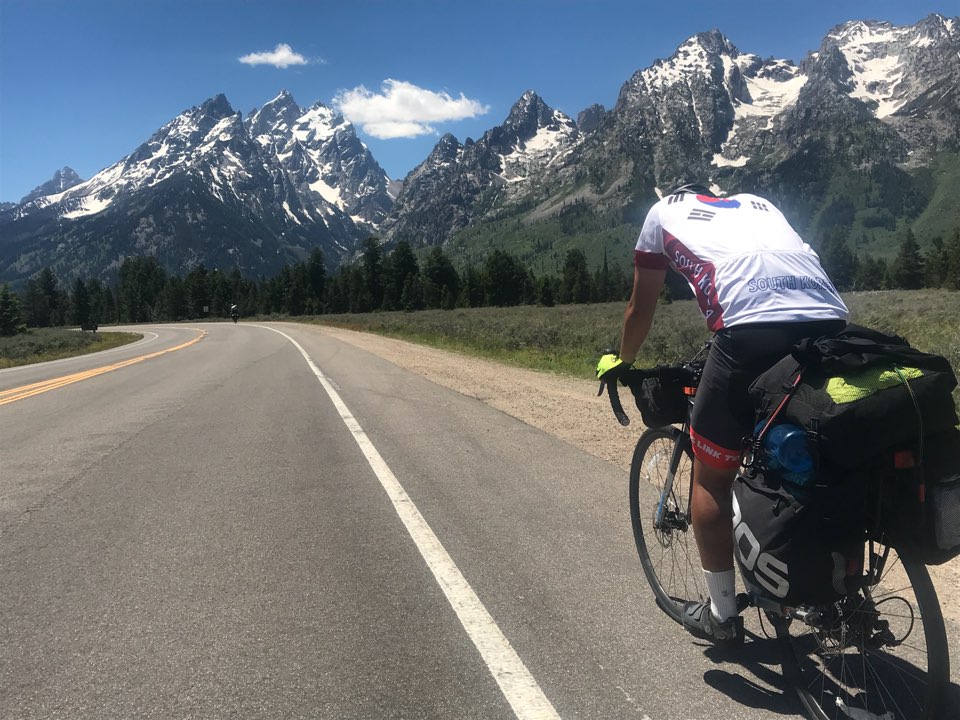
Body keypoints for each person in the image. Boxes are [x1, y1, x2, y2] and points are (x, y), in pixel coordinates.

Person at [597, 183, 849, 643]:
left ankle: (722, 615)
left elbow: (641, 305)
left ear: (669, 193)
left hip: (748, 330)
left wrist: (624, 359)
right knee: (813, 447)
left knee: (712, 476)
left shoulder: (661, 211)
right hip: (831, 320)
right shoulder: (759, 204)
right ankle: (829, 587)